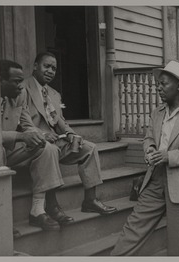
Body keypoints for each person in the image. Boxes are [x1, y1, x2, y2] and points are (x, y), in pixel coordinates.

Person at [110, 61, 179, 256]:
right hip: (156, 180)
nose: (158, 88)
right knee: (133, 230)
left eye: (163, 84)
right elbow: (149, 138)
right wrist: (150, 150)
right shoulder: (158, 112)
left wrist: (168, 156)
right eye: (159, 84)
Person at [20, 52, 117, 230]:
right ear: (35, 66)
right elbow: (21, 121)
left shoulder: (54, 94)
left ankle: (90, 200)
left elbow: (60, 122)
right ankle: (52, 205)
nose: (50, 71)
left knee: (89, 148)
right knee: (50, 149)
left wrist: (72, 135)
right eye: (46, 66)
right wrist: (41, 135)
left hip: (55, 141)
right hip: (33, 143)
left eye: (54, 68)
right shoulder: (22, 88)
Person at [0, 60, 61, 231]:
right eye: (16, 81)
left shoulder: (20, 95)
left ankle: (37, 210)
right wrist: (20, 136)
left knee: (46, 147)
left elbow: (27, 124)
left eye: (21, 81)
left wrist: (40, 135)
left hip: (9, 150)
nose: (21, 86)